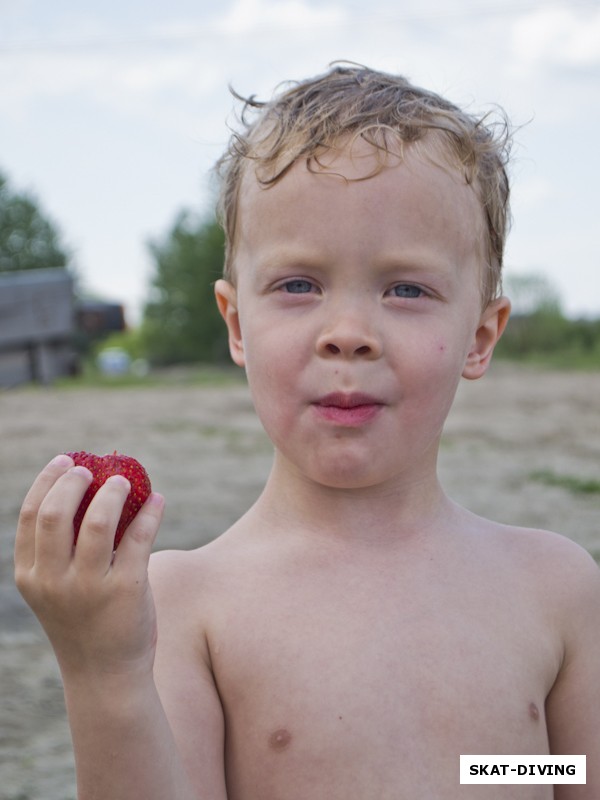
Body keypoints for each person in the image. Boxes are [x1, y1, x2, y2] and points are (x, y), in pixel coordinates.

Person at [14, 64, 599, 799]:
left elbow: (563, 771)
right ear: (236, 323)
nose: (348, 334)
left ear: (480, 335)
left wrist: (489, 765)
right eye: (298, 285)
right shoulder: (182, 604)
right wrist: (102, 672)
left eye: (406, 289)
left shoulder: (555, 586)